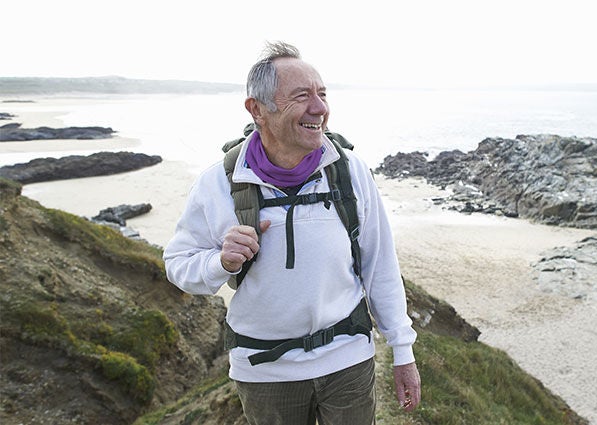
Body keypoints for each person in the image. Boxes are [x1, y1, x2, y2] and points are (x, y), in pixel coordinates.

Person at [163, 41, 421, 424]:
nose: (319, 108)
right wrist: (220, 262)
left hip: (347, 360)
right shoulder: (217, 183)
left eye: (322, 94)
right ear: (257, 109)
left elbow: (380, 265)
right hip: (265, 372)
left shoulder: (350, 171)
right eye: (302, 96)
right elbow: (178, 267)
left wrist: (403, 352)